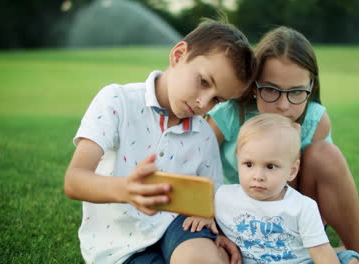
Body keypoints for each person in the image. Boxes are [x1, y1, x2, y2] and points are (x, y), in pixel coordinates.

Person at [205, 26, 359, 263]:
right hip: (236, 223)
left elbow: (312, 182)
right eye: (271, 90)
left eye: (296, 92)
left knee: (322, 154)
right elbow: (196, 162)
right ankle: (344, 251)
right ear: (254, 85)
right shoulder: (230, 115)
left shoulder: (314, 119)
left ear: (311, 86)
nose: (283, 106)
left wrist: (289, 138)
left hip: (293, 220)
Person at [64, 18, 256, 264]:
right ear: (178, 55)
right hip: (120, 245)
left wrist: (216, 226)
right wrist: (126, 190)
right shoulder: (116, 101)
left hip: (180, 225)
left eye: (216, 99)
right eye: (204, 82)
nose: (203, 103)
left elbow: (209, 197)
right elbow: (74, 180)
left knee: (201, 258)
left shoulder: (204, 134)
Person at [183, 113, 359, 264]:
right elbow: (204, 212)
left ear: (292, 171)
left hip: (303, 262)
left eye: (270, 166)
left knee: (350, 261)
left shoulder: (302, 207)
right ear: (238, 160)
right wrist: (204, 217)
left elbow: (322, 255)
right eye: (248, 164)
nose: (258, 176)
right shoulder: (223, 196)